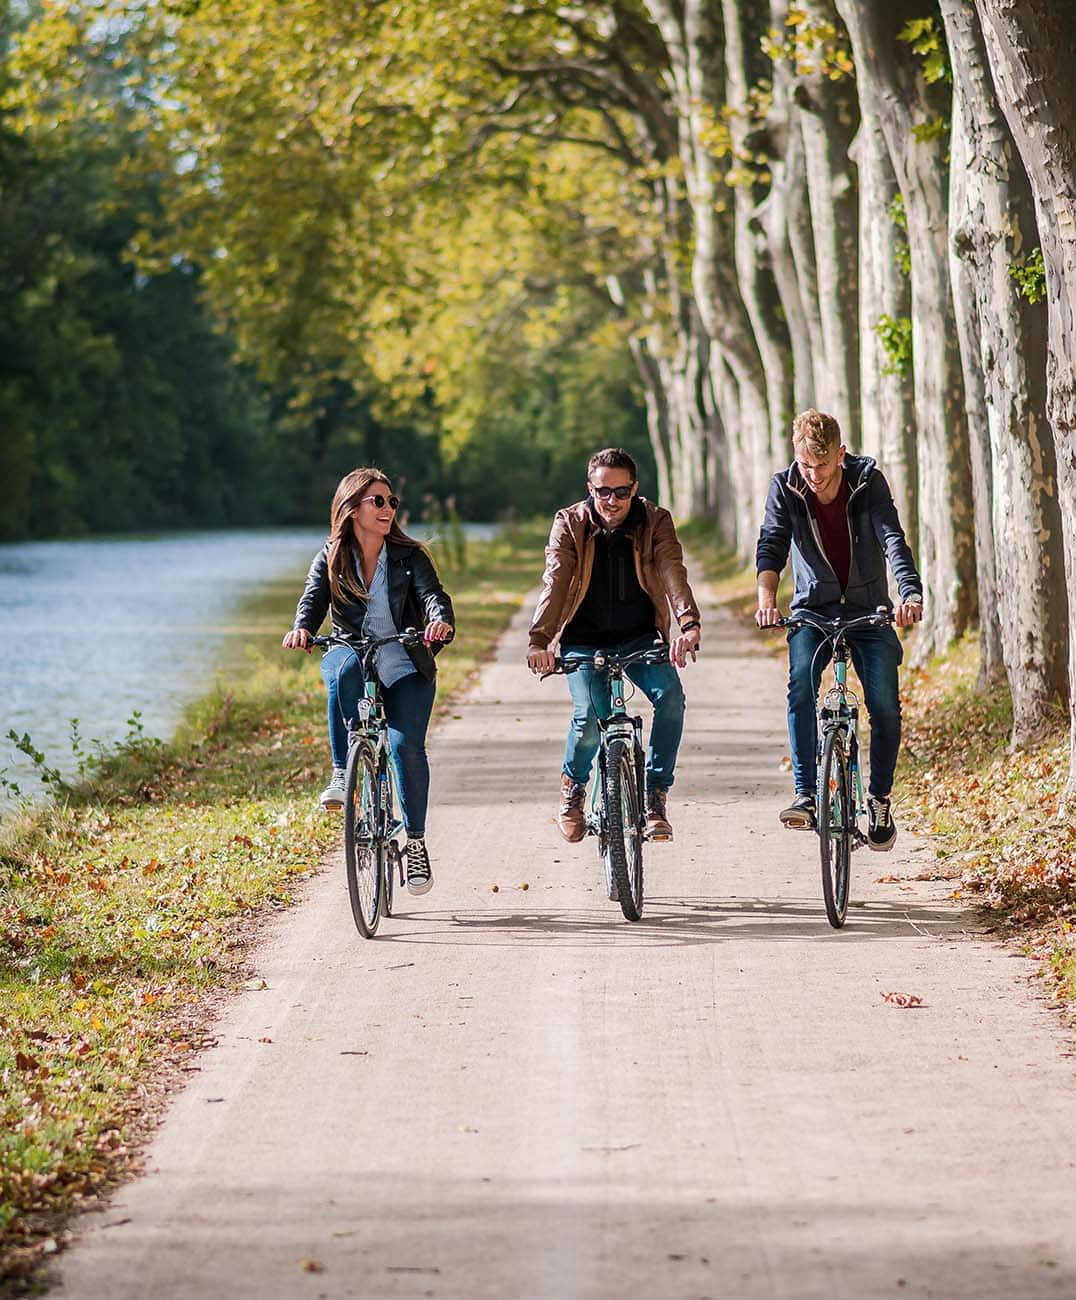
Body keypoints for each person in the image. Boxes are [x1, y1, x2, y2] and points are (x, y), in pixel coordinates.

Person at [754, 409, 923, 850]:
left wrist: (910, 594)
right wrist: (766, 601)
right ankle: (806, 794)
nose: (812, 475)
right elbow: (771, 545)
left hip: (869, 610)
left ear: (841, 455)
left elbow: (892, 539)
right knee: (800, 688)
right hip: (813, 609)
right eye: (805, 465)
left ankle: (880, 798)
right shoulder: (785, 487)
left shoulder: (867, 481)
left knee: (884, 705)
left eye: (822, 466)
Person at [283, 468, 454, 895]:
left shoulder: (410, 556)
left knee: (404, 747)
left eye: (391, 502)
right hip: (352, 650)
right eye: (378, 501)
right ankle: (343, 771)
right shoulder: (331, 556)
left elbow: (435, 597)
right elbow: (312, 600)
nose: (388, 509)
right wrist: (302, 628)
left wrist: (439, 621)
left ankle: (415, 841)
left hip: (404, 657)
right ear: (352, 507)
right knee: (342, 671)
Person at [526, 447, 701, 843]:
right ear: (590, 489)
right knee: (589, 718)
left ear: (635, 490)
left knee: (671, 697)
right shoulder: (570, 524)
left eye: (622, 492)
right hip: (583, 643)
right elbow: (555, 580)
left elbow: (673, 569)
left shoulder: (654, 521)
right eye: (603, 491)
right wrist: (540, 641)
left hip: (640, 638)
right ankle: (572, 790)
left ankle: (655, 796)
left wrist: (688, 624)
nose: (612, 501)